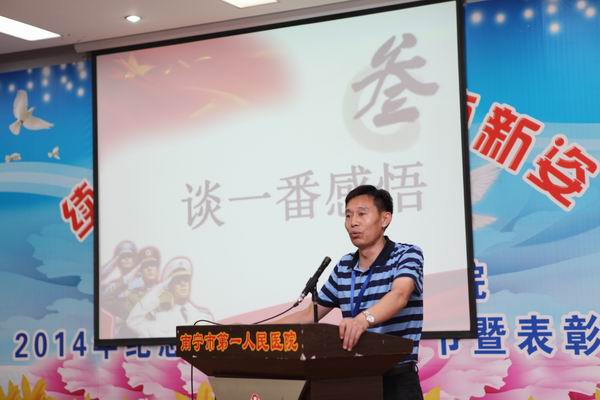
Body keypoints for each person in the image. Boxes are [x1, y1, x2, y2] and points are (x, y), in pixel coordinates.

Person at [276, 185, 424, 400]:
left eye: (362, 214)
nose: (353, 222)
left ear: (385, 219)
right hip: (354, 379)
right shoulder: (344, 266)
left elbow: (399, 295)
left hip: (397, 380)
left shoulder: (406, 254)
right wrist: (253, 332)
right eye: (348, 215)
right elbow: (309, 314)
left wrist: (363, 320)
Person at [126, 256, 214, 338]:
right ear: (169, 286)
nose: (183, 284)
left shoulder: (203, 316)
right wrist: (158, 289)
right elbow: (133, 321)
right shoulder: (159, 318)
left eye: (186, 279)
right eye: (178, 280)